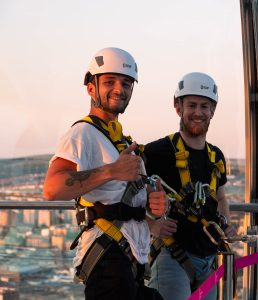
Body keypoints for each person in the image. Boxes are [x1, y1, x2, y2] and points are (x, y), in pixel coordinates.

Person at [43, 47, 164, 300]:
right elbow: (52, 188)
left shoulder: (120, 140)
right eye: (110, 82)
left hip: (129, 258)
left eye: (126, 83)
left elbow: (123, 198)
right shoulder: (82, 133)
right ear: (90, 88)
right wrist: (111, 170)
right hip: (108, 259)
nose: (120, 89)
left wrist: (154, 204)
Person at [144, 72, 237, 299]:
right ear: (178, 108)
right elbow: (126, 195)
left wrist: (224, 223)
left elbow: (221, 198)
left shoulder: (216, 156)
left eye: (204, 106)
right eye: (192, 105)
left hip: (208, 257)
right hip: (172, 255)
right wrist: (152, 225)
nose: (198, 112)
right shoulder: (156, 152)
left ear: (212, 111)